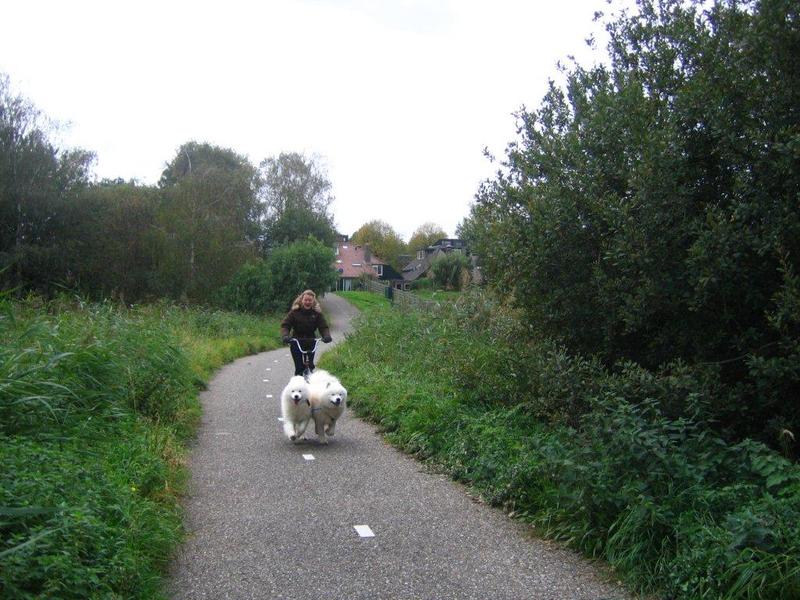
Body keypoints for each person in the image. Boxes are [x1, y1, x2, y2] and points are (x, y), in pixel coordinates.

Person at [280, 289, 332, 376]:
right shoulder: (294, 312)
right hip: (296, 341)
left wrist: (326, 336)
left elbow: (323, 327)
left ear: (313, 301)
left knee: (310, 366)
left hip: (311, 341)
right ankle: (297, 386)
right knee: (299, 368)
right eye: (306, 300)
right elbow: (286, 325)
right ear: (302, 300)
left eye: (310, 300)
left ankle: (310, 384)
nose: (307, 302)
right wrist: (285, 335)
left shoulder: (317, 313)